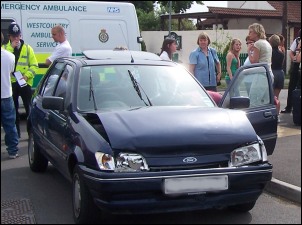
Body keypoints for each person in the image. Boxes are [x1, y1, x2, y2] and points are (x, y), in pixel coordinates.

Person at [3, 22, 39, 138]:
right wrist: (11, 48)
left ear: (21, 35)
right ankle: (16, 135)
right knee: (13, 112)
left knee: (29, 110)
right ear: (9, 37)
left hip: (25, 83)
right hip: (11, 83)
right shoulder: (4, 49)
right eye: (14, 36)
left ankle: (31, 134)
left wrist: (27, 75)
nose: (16, 39)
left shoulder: (28, 49)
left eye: (18, 36)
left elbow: (34, 66)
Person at [1, 32, 19, 159]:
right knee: (10, 125)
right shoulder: (10, 56)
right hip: (6, 95)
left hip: (6, 95)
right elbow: (11, 72)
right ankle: (13, 151)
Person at [281, 29, 301, 113]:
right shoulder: (297, 40)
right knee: (292, 86)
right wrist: (294, 59)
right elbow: (291, 52)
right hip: (296, 66)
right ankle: (289, 106)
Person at [269, 34, 285, 117]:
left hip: (273, 72)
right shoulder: (281, 53)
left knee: (271, 96)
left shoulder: (270, 53)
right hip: (280, 73)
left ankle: (272, 115)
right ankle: (277, 115)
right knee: (276, 96)